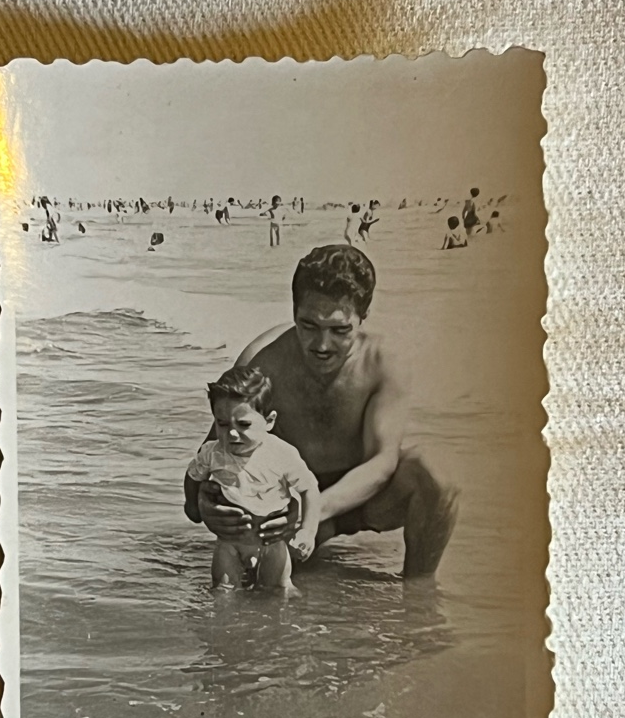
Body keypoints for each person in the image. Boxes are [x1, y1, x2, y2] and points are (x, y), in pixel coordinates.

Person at [194, 246, 457, 579]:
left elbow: (382, 461)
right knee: (257, 601)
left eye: (339, 330)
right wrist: (206, 506)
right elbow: (214, 452)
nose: (321, 344)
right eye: (308, 325)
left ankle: (417, 601)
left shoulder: (383, 364)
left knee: (437, 476)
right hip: (281, 504)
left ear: (363, 316)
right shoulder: (264, 362)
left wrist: (312, 510)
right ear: (293, 310)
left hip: (359, 502)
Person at [184, 366, 320, 591]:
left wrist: (307, 531)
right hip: (230, 543)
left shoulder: (282, 454)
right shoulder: (212, 452)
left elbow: (309, 488)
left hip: (271, 542)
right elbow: (192, 476)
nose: (232, 433)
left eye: (244, 424)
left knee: (279, 591)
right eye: (223, 424)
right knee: (222, 593)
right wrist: (192, 507)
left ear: (269, 421)